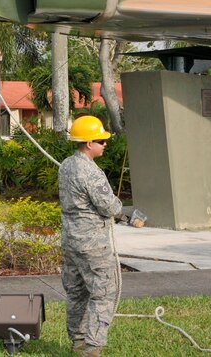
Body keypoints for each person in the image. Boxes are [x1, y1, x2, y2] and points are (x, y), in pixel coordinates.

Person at [58, 115, 124, 357]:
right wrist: (122, 210)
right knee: (104, 293)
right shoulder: (92, 173)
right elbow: (108, 206)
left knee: (76, 293)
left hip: (71, 241)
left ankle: (77, 343)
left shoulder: (66, 165)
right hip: (93, 244)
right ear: (88, 143)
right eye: (100, 140)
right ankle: (92, 349)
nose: (105, 144)